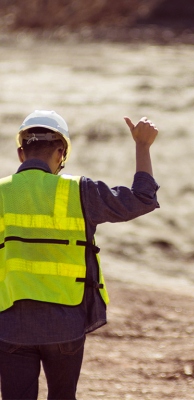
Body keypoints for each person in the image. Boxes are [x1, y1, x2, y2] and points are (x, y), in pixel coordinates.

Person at [0, 110, 159, 400]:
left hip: (12, 326)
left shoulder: (1, 193)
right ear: (61, 153)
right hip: (65, 323)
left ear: (21, 153)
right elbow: (142, 199)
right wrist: (142, 146)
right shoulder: (79, 191)